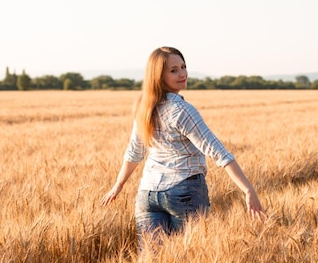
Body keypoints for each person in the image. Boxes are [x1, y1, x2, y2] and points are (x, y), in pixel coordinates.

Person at [100, 47, 267, 247]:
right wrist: (248, 190)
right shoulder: (182, 110)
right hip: (184, 192)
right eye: (173, 70)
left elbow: (135, 152)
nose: (182, 74)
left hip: (147, 194)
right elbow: (217, 151)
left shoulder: (144, 108)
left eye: (183, 67)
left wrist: (118, 186)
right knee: (188, 260)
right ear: (158, 76)